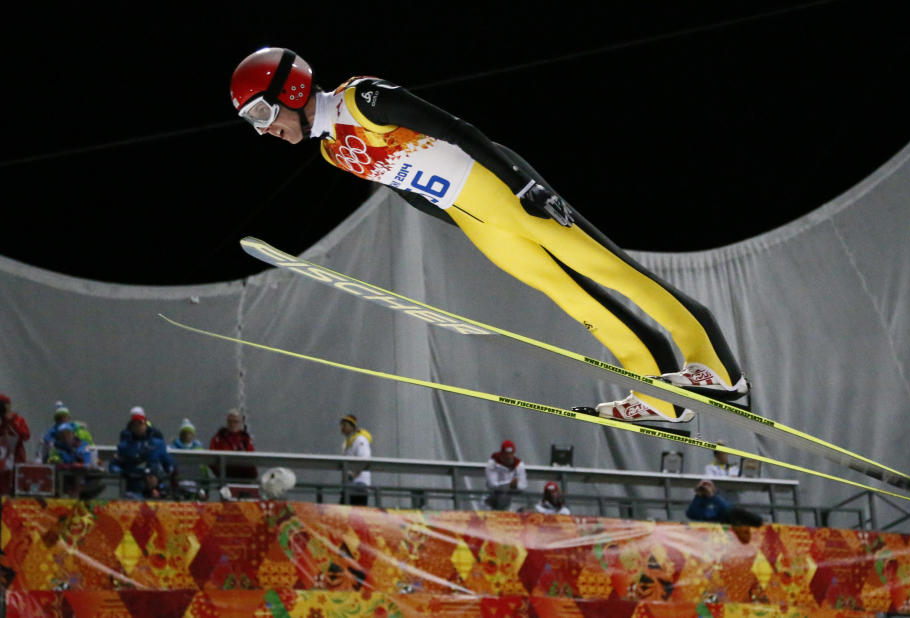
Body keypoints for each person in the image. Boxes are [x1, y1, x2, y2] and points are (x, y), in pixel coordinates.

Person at [229, 48, 749, 424]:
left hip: (504, 188)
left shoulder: (360, 100)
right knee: (568, 294)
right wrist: (462, 221)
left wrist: (523, 183)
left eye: (261, 114)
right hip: (474, 215)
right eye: (251, 123)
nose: (263, 130)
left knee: (608, 268)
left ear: (291, 89)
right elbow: (406, 188)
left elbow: (458, 129)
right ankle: (659, 395)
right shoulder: (331, 150)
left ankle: (718, 369)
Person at [108, 406, 177, 498]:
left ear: (145, 425)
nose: (138, 427)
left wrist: (160, 477)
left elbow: (169, 464)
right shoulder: (124, 446)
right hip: (133, 486)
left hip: (155, 486)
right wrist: (123, 473)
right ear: (131, 427)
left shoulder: (157, 444)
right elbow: (114, 465)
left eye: (140, 423)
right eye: (135, 424)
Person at [45, 423, 104, 499]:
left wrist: (80, 463)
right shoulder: (58, 448)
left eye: (68, 434)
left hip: (85, 479)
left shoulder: (83, 446)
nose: (66, 437)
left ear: (73, 434)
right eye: (62, 435)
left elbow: (90, 463)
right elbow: (55, 461)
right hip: (67, 480)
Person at [38, 401, 96, 465]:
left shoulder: (81, 437)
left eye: (68, 434)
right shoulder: (54, 441)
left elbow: (90, 450)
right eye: (59, 418)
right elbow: (50, 455)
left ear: (73, 434)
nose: (62, 420)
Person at [685, 479, 762, 527]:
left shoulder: (717, 499)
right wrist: (698, 495)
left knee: (734, 511)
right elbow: (690, 514)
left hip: (723, 524)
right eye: (704, 485)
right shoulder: (698, 501)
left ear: (714, 488)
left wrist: (712, 496)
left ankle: (755, 521)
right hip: (708, 528)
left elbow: (726, 509)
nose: (706, 487)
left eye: (709, 485)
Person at [209, 408, 257, 480]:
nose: (232, 424)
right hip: (224, 477)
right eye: (230, 421)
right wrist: (220, 473)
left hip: (244, 477)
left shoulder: (245, 439)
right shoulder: (218, 438)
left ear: (240, 423)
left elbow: (251, 458)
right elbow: (211, 458)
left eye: (235, 422)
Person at [0, 393, 30, 495]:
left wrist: (11, 423)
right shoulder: (1, 422)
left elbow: (26, 435)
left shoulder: (18, 420)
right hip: (3, 458)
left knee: (17, 480)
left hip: (16, 455)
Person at [484, 440, 527, 510]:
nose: (509, 457)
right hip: (490, 500)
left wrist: (516, 486)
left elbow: (523, 485)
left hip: (507, 503)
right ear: (502, 453)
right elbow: (492, 484)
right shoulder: (493, 463)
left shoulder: (519, 465)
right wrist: (509, 485)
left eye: (511, 454)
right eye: (506, 454)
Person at [339, 414, 372, 506]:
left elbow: (364, 459)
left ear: (352, 427)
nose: (342, 428)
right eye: (341, 425)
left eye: (344, 425)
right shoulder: (346, 444)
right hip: (349, 485)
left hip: (360, 485)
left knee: (353, 511)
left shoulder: (360, 440)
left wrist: (353, 474)